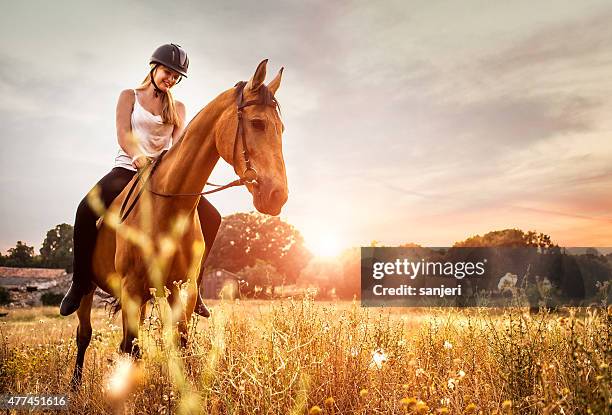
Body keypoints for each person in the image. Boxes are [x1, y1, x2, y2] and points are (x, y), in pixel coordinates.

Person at [60, 43, 220, 318]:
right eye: (167, 72)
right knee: (85, 209)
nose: (170, 79)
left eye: (176, 76)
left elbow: (180, 146)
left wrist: (184, 173)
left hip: (162, 177)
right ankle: (80, 282)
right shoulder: (129, 96)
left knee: (212, 217)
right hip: (127, 169)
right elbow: (123, 133)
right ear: (154, 67)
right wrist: (138, 156)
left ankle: (196, 286)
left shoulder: (178, 107)